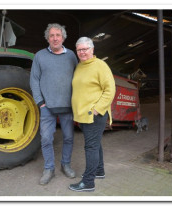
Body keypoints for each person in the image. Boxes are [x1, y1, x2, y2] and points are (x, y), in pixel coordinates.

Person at [30, 23, 78, 185]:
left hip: (67, 106)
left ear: (63, 37)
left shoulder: (72, 55)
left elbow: (78, 78)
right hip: (47, 107)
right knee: (46, 138)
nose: (55, 38)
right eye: (52, 35)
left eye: (58, 35)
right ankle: (49, 168)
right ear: (47, 38)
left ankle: (66, 165)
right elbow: (34, 80)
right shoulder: (40, 56)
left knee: (69, 137)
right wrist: (40, 102)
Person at [69, 37, 116, 192]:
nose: (82, 52)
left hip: (94, 115)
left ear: (92, 50)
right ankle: (99, 171)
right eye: (79, 50)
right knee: (95, 144)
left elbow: (110, 90)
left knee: (91, 147)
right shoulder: (80, 66)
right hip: (83, 114)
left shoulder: (100, 66)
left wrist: (97, 109)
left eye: (85, 49)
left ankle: (88, 182)